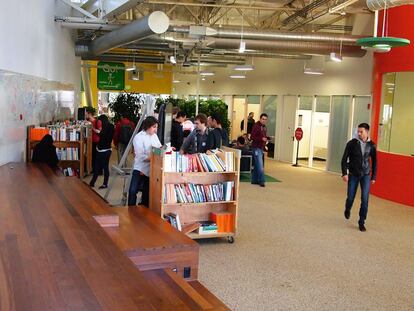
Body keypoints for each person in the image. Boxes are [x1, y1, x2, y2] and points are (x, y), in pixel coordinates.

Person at [341, 123, 377, 232]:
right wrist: (344, 173)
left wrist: (373, 176)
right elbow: (344, 159)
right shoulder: (352, 143)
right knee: (351, 197)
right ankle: (348, 208)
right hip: (353, 174)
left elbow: (375, 162)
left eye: (361, 132)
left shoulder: (372, 145)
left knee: (365, 199)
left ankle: (361, 222)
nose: (359, 133)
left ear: (367, 132)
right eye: (358, 131)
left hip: (366, 175)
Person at [128, 116, 162, 207]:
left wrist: (165, 150)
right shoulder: (138, 137)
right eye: (154, 127)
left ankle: (144, 210)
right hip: (140, 168)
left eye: (156, 127)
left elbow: (159, 148)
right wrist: (154, 157)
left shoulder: (154, 136)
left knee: (147, 193)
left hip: (152, 168)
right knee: (133, 190)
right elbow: (140, 156)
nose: (155, 130)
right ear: (147, 126)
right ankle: (131, 209)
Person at [89, 115, 114, 189]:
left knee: (98, 167)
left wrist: (95, 130)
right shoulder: (111, 127)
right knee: (104, 167)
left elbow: (102, 135)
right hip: (107, 150)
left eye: (100, 121)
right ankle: (100, 183)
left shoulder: (105, 128)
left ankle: (94, 182)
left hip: (102, 149)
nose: (99, 123)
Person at [250, 113, 268, 187]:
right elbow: (252, 137)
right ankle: (261, 181)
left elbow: (262, 136)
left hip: (260, 147)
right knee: (260, 165)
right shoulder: (256, 126)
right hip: (256, 148)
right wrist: (261, 139)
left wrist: (266, 139)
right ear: (260, 119)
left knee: (257, 164)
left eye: (265, 119)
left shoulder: (264, 127)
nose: (264, 120)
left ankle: (254, 180)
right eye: (263, 119)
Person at [86, 107, 102, 172]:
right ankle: (93, 169)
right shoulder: (88, 122)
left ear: (90, 114)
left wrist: (92, 128)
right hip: (90, 141)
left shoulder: (97, 121)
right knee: (92, 156)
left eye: (86, 114)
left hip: (96, 141)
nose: (85, 115)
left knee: (97, 156)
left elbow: (99, 131)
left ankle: (98, 170)